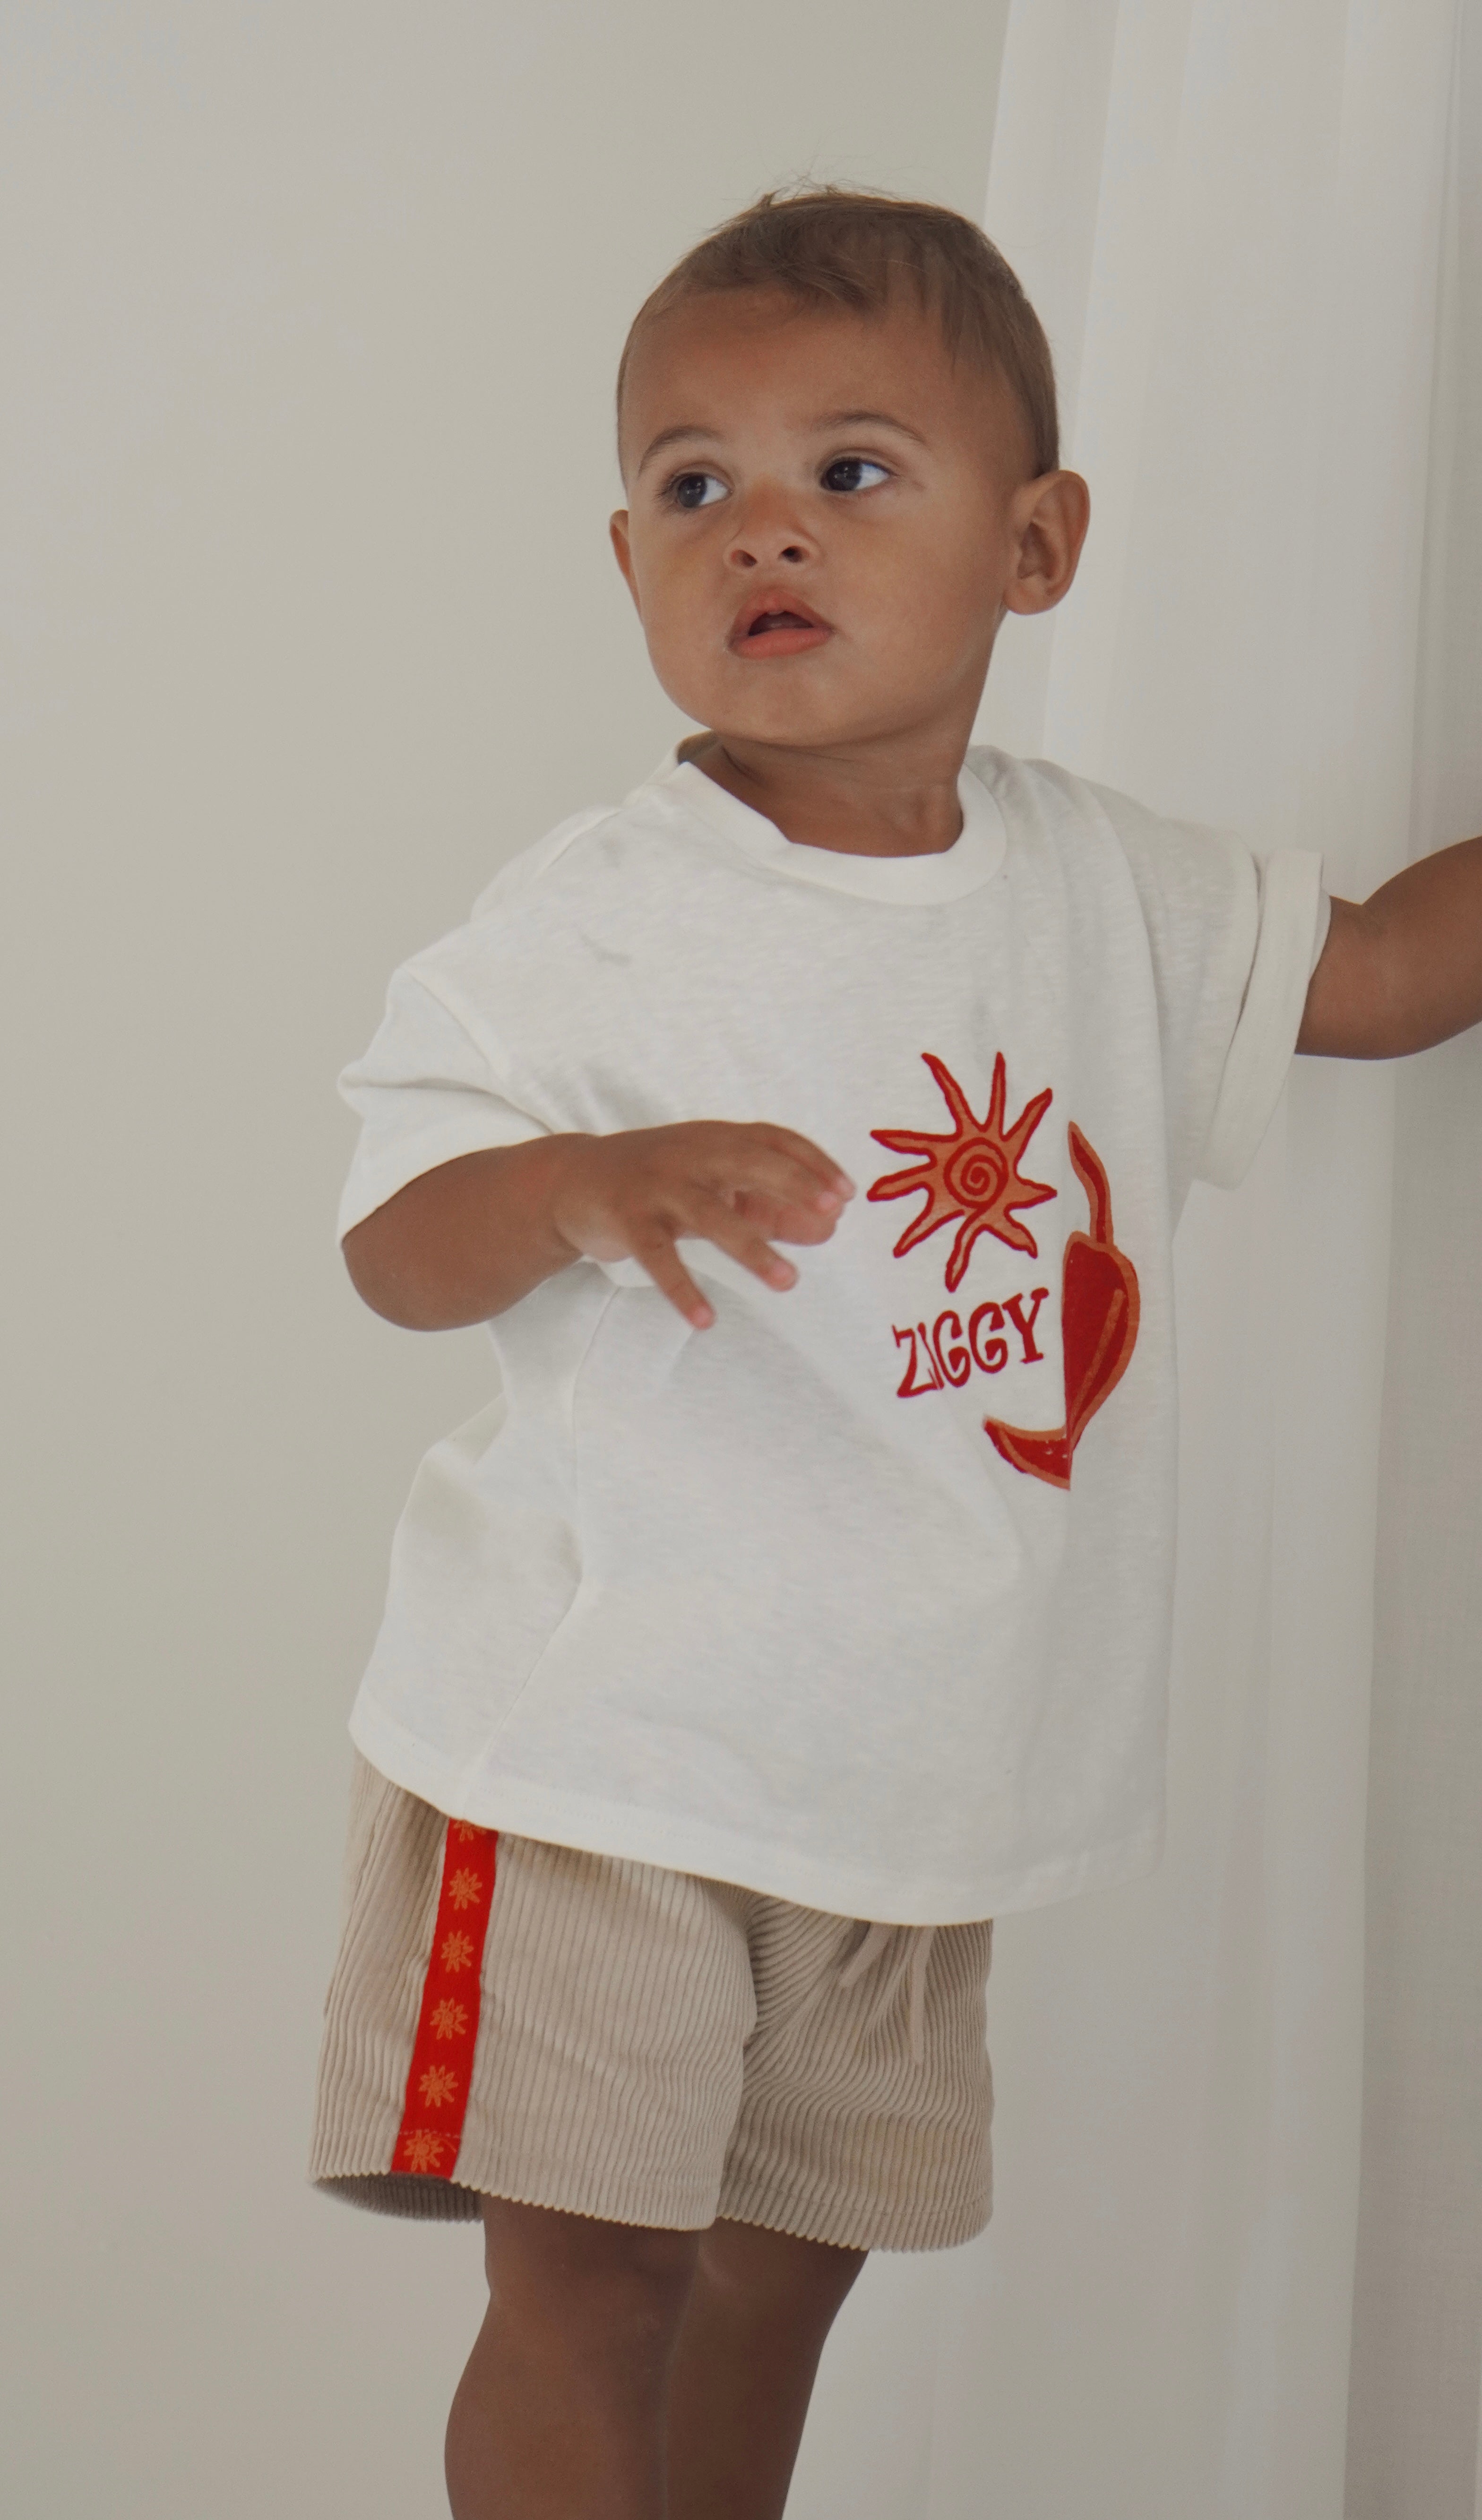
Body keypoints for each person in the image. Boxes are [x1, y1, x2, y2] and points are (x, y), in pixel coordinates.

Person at [307, 188, 1482, 2520]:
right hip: (601, 1753)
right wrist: (569, 1187)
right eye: (690, 480)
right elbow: (393, 1243)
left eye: (851, 470)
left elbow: (1368, 977)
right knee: (595, 2280)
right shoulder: (595, 923)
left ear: (1034, 545)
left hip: (908, 1775)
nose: (762, 527)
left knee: (783, 2274)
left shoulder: (1099, 883)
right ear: (625, 551)